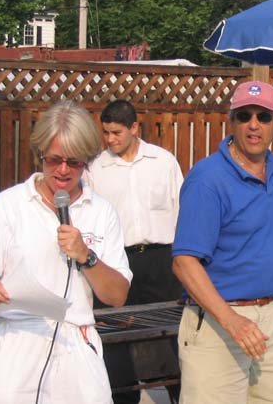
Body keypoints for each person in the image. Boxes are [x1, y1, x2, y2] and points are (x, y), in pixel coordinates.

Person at [0, 100, 132, 404]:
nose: (63, 170)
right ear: (40, 154)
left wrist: (86, 256)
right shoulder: (10, 204)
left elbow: (117, 295)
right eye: (54, 160)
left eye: (74, 162)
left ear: (87, 160)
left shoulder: (101, 211)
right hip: (15, 340)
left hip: (75, 341)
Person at [172, 80, 273, 404]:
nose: (254, 125)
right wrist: (231, 320)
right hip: (219, 320)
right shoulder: (207, 179)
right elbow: (184, 262)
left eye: (263, 116)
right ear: (230, 121)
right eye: (245, 116)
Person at [85, 99, 184, 404]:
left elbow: (182, 210)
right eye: (106, 133)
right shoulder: (95, 169)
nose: (110, 139)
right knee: (115, 340)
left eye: (116, 132)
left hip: (160, 261)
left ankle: (179, 396)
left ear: (134, 128)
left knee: (169, 337)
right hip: (116, 262)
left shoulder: (163, 162)